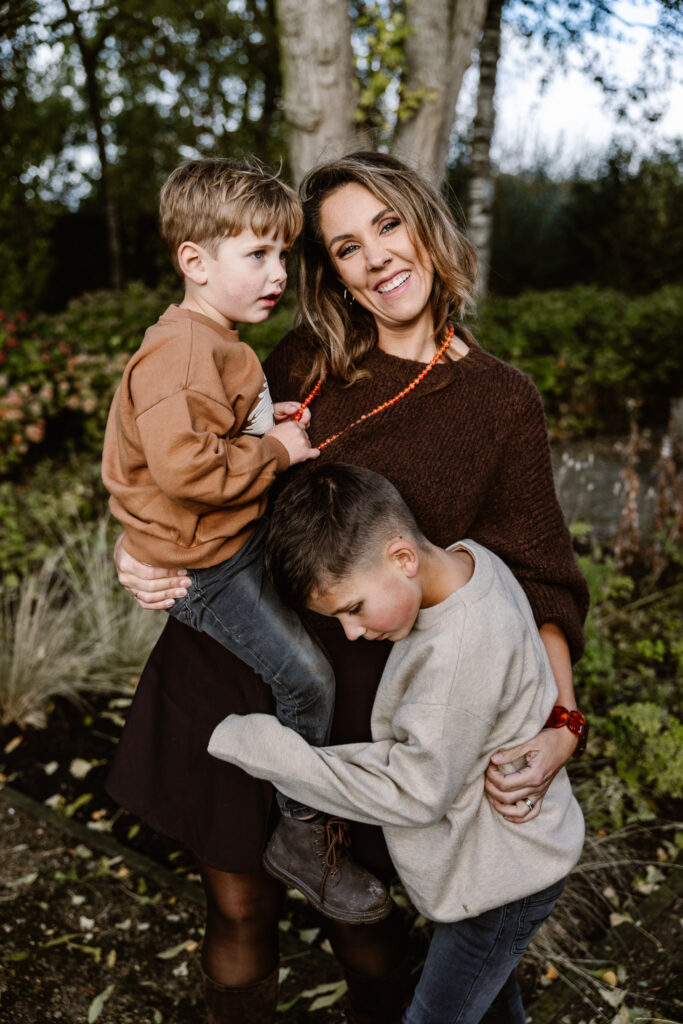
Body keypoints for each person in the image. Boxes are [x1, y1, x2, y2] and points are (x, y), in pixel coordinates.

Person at [108, 151, 590, 1024]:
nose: (375, 258)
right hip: (230, 659)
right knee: (237, 906)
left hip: (364, 700)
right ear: (332, 272)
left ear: (427, 226)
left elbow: (542, 576)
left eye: (387, 225)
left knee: (362, 923)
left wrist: (560, 721)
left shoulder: (499, 401)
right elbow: (187, 456)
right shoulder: (305, 357)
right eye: (344, 247)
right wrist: (136, 547)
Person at [101, 156, 392, 925]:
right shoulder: (183, 351)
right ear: (194, 262)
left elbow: (206, 428)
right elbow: (185, 469)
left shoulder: (215, 340)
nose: (277, 273)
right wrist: (275, 453)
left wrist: (265, 422)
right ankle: (299, 832)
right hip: (209, 568)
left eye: (283, 254)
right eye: (256, 254)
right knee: (308, 682)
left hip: (230, 545)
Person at [208, 462, 586, 1024]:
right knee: (491, 1010)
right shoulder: (471, 562)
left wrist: (269, 751)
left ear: (403, 558)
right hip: (493, 862)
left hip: (503, 881)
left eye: (353, 609)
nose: (354, 633)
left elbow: (414, 791)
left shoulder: (455, 659)